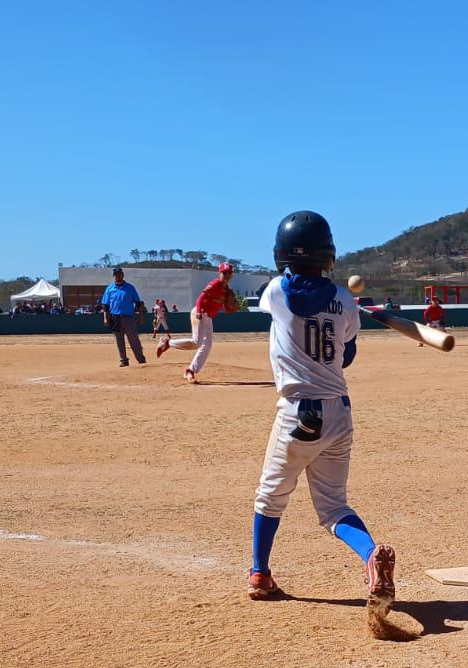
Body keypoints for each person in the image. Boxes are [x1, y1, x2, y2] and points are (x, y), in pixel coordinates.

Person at [248, 210, 400, 637]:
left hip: (297, 413)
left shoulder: (275, 291)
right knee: (333, 507)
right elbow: (346, 355)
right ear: (328, 254)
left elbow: (293, 296)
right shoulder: (345, 300)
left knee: (270, 497)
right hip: (338, 411)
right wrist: (341, 311)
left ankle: (260, 573)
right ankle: (369, 556)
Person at [159, 262, 235, 381]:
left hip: (208, 318)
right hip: (199, 314)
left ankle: (190, 371)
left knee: (207, 346)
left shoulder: (227, 291)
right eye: (225, 272)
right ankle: (168, 343)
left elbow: (228, 310)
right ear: (219, 273)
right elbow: (200, 299)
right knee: (197, 343)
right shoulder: (215, 284)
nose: (227, 275)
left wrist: (233, 307)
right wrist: (199, 311)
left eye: (229, 273)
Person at [100, 267, 147, 366]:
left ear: (123, 275)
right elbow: (105, 305)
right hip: (115, 317)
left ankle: (141, 359)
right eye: (116, 274)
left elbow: (138, 303)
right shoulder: (110, 289)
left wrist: (141, 316)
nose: (118, 276)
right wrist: (105, 318)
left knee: (134, 340)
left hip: (128, 317)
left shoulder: (130, 288)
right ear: (114, 276)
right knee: (119, 340)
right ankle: (123, 360)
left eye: (120, 274)